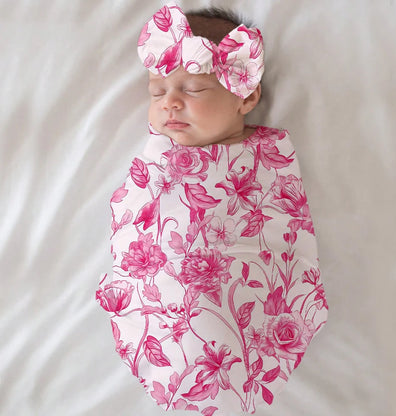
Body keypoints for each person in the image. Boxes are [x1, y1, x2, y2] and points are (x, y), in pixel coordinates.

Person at [96, 2, 328, 415]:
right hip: (167, 295)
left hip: (247, 292)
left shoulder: (267, 157)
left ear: (246, 96)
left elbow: (281, 227)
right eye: (157, 91)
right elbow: (134, 213)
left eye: (193, 89)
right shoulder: (160, 155)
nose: (168, 102)